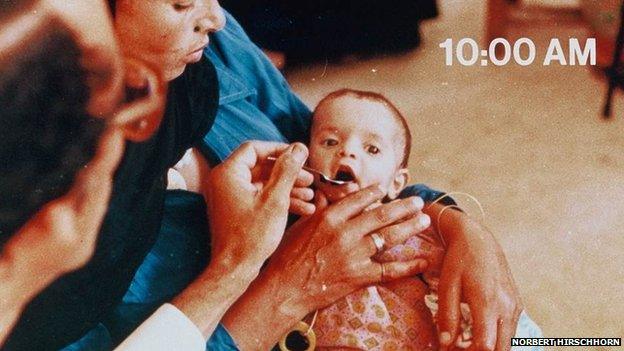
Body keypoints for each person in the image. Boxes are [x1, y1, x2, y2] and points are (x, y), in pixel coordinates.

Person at [69, 3, 526, 351]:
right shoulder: (47, 218)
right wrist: (258, 276)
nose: (217, 18)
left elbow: (349, 158)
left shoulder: (210, 54)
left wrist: (457, 224)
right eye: (180, 3)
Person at [2, 1, 429, 350]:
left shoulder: (201, 61)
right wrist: (245, 270)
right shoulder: (60, 299)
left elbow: (339, 136)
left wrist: (448, 218)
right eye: (180, 3)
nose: (216, 19)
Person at [303, 89, 542, 350]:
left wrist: (465, 329)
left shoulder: (412, 227)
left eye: (372, 149)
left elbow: (456, 288)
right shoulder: (292, 224)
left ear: (397, 183)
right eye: (330, 142)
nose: (347, 151)